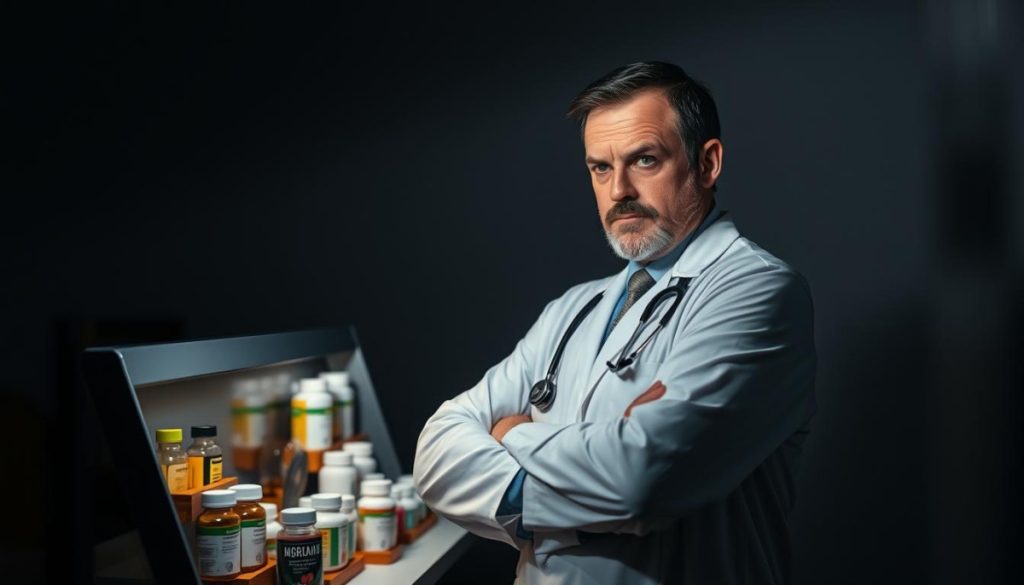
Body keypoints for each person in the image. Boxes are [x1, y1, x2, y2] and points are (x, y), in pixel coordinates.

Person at [413, 61, 816, 584]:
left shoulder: (758, 291)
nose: (619, 189)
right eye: (600, 168)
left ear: (707, 162)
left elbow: (641, 481)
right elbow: (437, 455)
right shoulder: (572, 309)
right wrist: (595, 466)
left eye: (644, 160)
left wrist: (512, 433)